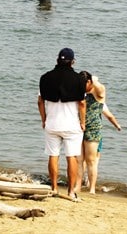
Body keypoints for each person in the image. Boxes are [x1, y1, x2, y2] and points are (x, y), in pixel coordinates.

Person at [38, 48, 86, 201]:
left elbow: (40, 101)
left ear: (57, 60)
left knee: (53, 155)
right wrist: (83, 122)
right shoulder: (79, 79)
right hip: (72, 125)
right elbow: (82, 104)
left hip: (52, 123)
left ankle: (54, 188)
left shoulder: (45, 78)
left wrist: (44, 119)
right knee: (71, 157)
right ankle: (71, 191)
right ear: (72, 62)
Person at [76, 72, 121, 194]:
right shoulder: (82, 92)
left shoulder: (97, 92)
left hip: (93, 129)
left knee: (91, 160)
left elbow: (101, 90)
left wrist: (94, 80)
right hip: (79, 128)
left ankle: (92, 189)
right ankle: (78, 186)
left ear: (89, 82)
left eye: (83, 83)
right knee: (79, 160)